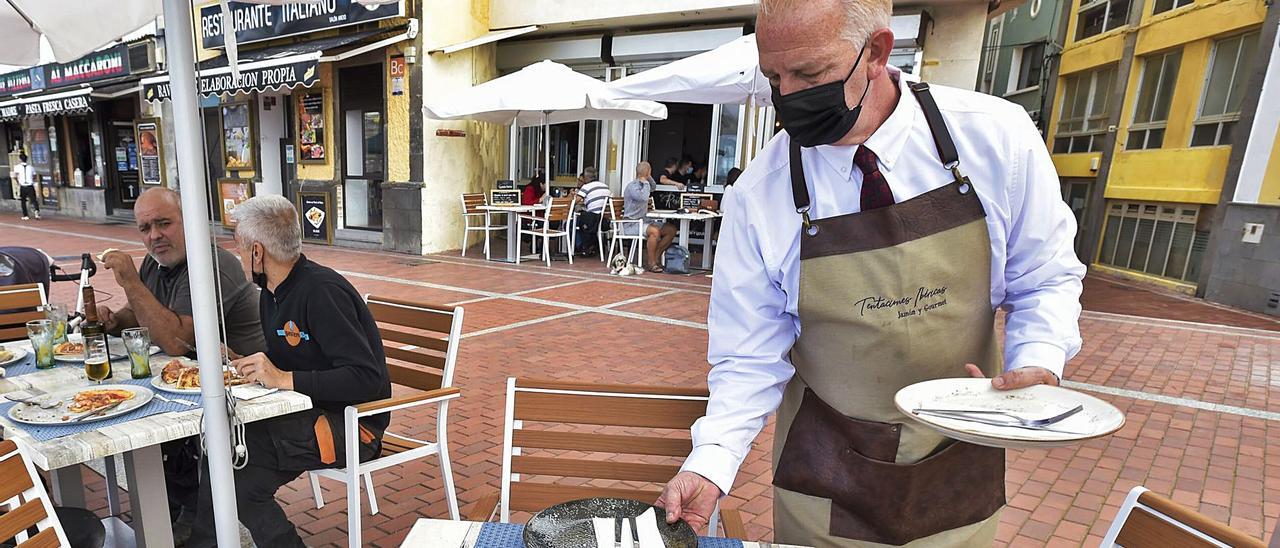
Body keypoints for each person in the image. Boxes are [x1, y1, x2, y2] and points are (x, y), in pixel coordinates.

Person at [656, 1, 1086, 546]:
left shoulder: (996, 138)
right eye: (773, 77)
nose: (786, 96)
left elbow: (1045, 276)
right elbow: (748, 357)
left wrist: (1037, 362)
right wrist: (711, 465)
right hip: (825, 469)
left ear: (877, 53)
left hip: (957, 456)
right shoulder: (758, 195)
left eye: (808, 74)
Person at [188, 195, 391, 548]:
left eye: (238, 245)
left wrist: (284, 379)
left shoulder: (322, 292)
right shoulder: (272, 291)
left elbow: (366, 378)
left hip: (354, 426)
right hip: (309, 414)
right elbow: (291, 356)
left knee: (233, 472)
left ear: (257, 252)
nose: (236, 255)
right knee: (219, 449)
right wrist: (243, 359)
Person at [96, 187, 265, 529]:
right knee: (138, 414)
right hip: (192, 387)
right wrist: (115, 322)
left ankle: (191, 522)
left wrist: (129, 280)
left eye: (163, 224)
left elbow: (175, 339)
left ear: (189, 222)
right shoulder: (157, 263)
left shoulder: (213, 264)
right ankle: (171, 515)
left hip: (246, 391)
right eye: (145, 229)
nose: (155, 236)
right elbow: (139, 313)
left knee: (150, 424)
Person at [623, 162, 678, 272]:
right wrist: (645, 180)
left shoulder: (645, 184)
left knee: (671, 230)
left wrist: (648, 177)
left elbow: (654, 187)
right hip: (632, 223)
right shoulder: (632, 186)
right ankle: (651, 263)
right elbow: (643, 197)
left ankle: (656, 255)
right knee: (655, 232)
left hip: (643, 221)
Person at [574, 167, 609, 256]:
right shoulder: (605, 186)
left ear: (586, 178)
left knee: (571, 224)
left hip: (593, 220)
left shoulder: (586, 187)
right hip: (605, 221)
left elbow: (575, 201)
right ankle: (593, 246)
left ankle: (582, 247)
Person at [12, 153, 38, 220]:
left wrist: (18, 181)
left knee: (23, 201)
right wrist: (32, 179)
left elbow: (14, 176)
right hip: (30, 185)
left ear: (20, 159)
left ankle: (25, 215)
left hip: (23, 186)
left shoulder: (17, 167)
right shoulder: (31, 167)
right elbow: (35, 176)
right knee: (34, 199)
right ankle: (37, 211)